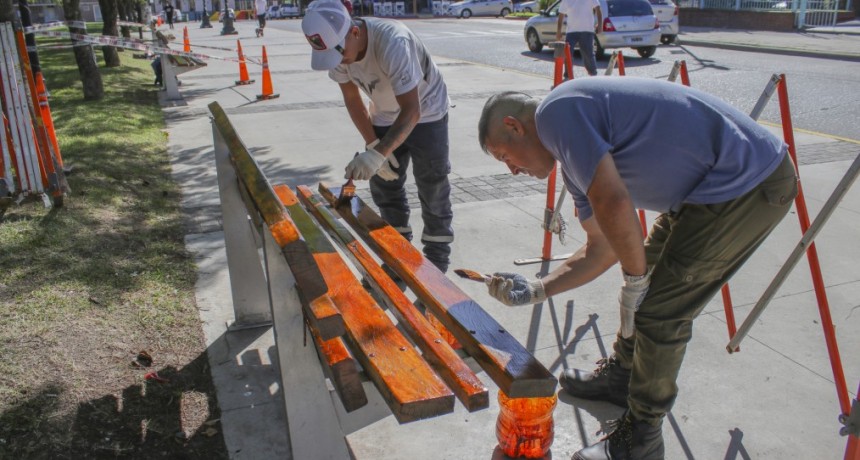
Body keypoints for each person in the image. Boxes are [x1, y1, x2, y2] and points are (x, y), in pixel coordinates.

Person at [478, 77, 798, 459]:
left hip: (748, 183)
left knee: (659, 311)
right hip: (706, 194)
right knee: (643, 288)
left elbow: (614, 202)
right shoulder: (573, 159)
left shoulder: (555, 113)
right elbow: (602, 248)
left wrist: (636, 279)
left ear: (514, 126)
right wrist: (537, 289)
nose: (512, 171)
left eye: (504, 156)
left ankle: (641, 440)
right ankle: (623, 376)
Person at [301, 0, 454, 273]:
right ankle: (397, 254)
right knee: (386, 187)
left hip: (427, 111)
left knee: (432, 184)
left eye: (340, 54)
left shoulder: (393, 43)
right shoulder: (339, 50)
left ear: (354, 32)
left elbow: (412, 110)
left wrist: (377, 155)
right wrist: (373, 144)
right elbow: (352, 99)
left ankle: (437, 261)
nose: (339, 62)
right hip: (384, 114)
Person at [556, 0, 601, 76]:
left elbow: (598, 8)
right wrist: (558, 31)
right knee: (568, 53)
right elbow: (561, 15)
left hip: (587, 30)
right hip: (571, 31)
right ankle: (568, 74)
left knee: (588, 54)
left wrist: (600, 25)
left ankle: (593, 74)